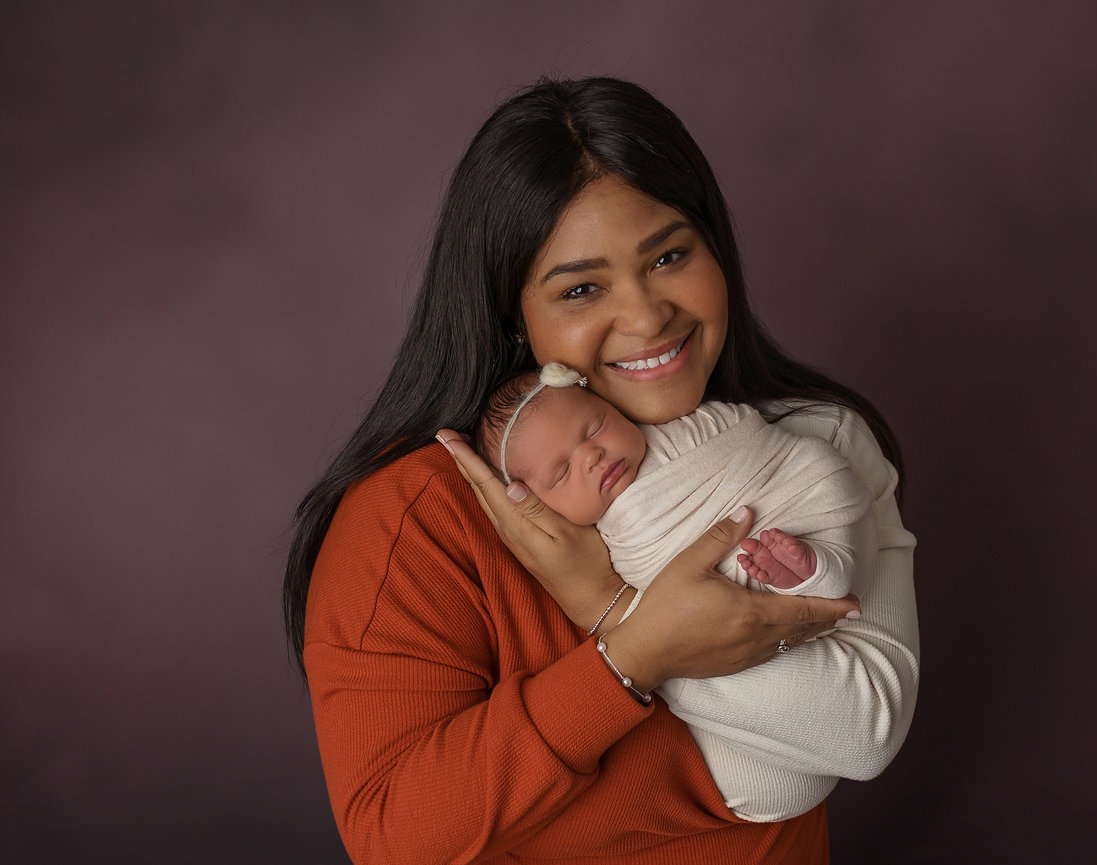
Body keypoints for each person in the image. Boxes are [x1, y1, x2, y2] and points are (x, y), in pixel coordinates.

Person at [283, 76, 918, 865]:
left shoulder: (818, 442)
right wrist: (627, 661)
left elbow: (860, 733)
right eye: (581, 287)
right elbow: (398, 838)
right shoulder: (416, 518)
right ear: (512, 313)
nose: (648, 316)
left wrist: (607, 603)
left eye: (670, 255)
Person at [475, 362, 875, 821]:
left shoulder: (690, 429)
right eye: (562, 472)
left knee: (813, 536)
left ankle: (811, 572)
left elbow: (760, 446)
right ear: (535, 505)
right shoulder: (588, 545)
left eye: (595, 427)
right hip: (739, 636)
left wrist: (615, 609)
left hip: (793, 508)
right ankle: (800, 578)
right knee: (761, 780)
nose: (591, 456)